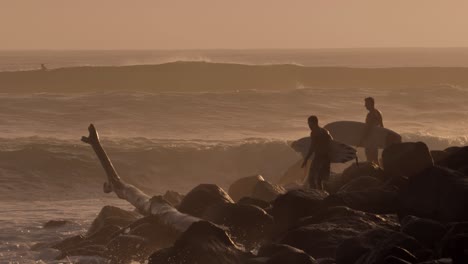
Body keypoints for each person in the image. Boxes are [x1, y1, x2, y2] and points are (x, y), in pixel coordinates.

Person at [301, 115, 332, 190]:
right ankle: (321, 195)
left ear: (312, 123)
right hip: (327, 158)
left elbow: (312, 147)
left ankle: (315, 195)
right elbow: (332, 143)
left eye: (309, 123)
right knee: (319, 180)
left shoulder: (314, 132)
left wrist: (306, 159)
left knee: (311, 179)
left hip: (319, 158)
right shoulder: (325, 131)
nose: (308, 125)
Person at [360, 97, 383, 164]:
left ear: (370, 104)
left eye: (366, 103)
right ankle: (377, 172)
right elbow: (382, 127)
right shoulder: (378, 112)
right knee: (375, 159)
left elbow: (368, 128)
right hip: (375, 140)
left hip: (370, 140)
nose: (365, 105)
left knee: (370, 160)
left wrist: (362, 139)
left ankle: (372, 172)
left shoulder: (370, 115)